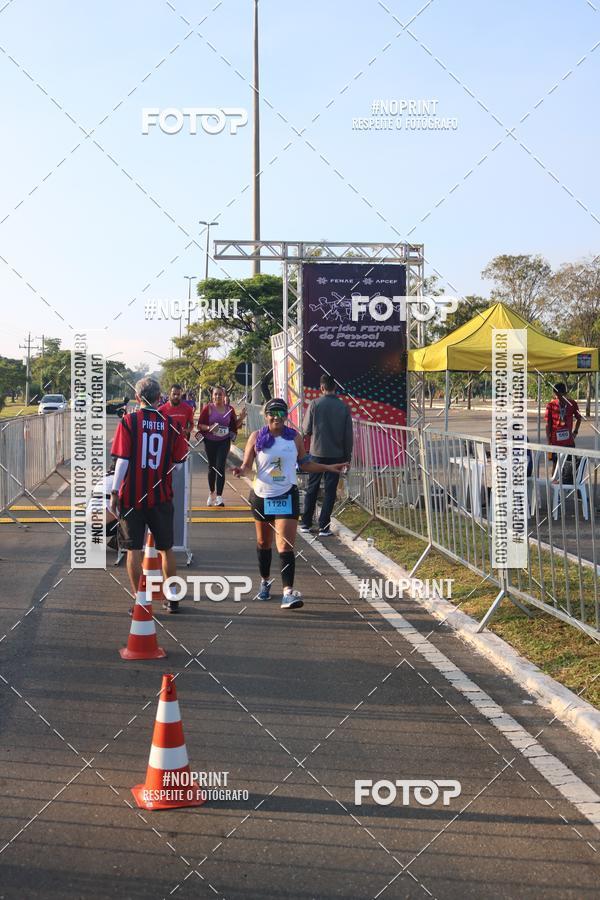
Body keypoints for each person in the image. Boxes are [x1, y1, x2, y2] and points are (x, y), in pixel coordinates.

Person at [232, 398, 348, 609]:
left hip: (286, 495)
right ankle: (265, 581)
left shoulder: (293, 438)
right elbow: (247, 465)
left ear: (286, 416)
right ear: (265, 416)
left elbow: (305, 464)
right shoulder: (256, 437)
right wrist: (241, 471)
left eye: (281, 412)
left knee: (285, 545)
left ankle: (288, 592)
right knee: (263, 543)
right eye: (272, 412)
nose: (276, 416)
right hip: (262, 496)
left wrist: (329, 468)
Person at [110, 377, 189, 613]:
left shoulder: (129, 421)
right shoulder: (170, 424)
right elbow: (179, 462)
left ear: (137, 398)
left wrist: (115, 491)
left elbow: (122, 460)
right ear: (159, 398)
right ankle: (173, 597)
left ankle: (140, 600)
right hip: (161, 497)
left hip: (132, 497)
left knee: (133, 549)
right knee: (166, 549)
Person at [300, 374, 353, 537]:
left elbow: (306, 429)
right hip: (337, 455)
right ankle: (324, 526)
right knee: (330, 490)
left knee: (312, 488)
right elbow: (348, 435)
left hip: (317, 453)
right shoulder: (343, 407)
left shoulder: (315, 404)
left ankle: (306, 522)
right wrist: (347, 456)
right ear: (335, 387)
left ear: (322, 388)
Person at [196, 386, 238, 506]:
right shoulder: (208, 408)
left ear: (224, 396)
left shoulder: (230, 409)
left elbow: (234, 426)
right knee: (212, 467)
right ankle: (211, 493)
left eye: (220, 394)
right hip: (210, 441)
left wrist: (242, 418)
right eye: (215, 394)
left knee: (220, 467)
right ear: (212, 396)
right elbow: (200, 425)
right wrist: (209, 428)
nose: (218, 397)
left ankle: (219, 497)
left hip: (224, 441)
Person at [545, 382, 582, 457]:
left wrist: (575, 432)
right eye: (557, 394)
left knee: (565, 465)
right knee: (559, 465)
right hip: (558, 441)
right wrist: (549, 440)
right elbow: (548, 424)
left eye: (559, 394)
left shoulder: (572, 404)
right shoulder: (551, 405)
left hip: (565, 442)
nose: (558, 396)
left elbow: (579, 418)